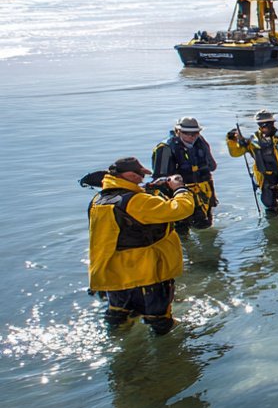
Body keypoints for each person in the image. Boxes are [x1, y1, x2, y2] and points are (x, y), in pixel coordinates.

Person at [87, 156, 195, 335]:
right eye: (140, 174)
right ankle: (168, 354)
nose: (143, 178)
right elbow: (181, 209)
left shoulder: (98, 200)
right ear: (129, 174)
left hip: (114, 275)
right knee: (159, 320)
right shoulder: (137, 202)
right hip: (145, 273)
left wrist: (148, 190)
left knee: (119, 315)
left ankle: (121, 348)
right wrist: (180, 189)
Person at [152, 116, 219, 235]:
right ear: (178, 131)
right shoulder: (165, 148)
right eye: (186, 133)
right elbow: (160, 178)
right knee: (181, 229)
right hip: (180, 193)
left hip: (203, 190)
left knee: (205, 225)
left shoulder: (201, 142)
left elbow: (212, 166)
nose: (191, 136)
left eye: (195, 133)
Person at [227, 109, 278, 215]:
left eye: (266, 125)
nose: (263, 128)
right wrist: (232, 140)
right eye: (260, 125)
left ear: (272, 123)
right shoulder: (253, 139)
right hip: (265, 176)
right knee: (269, 204)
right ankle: (272, 225)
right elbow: (236, 153)